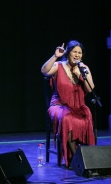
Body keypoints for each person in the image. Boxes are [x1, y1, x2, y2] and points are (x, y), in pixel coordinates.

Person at [41, 40, 95, 168]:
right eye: (74, 52)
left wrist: (81, 76)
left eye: (80, 53)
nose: (77, 55)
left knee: (87, 115)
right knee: (67, 118)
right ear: (68, 53)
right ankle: (77, 157)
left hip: (78, 106)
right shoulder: (59, 65)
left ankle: (86, 157)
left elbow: (90, 89)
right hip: (58, 106)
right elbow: (44, 71)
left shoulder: (84, 68)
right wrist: (55, 56)